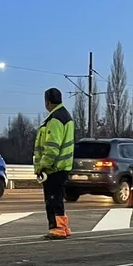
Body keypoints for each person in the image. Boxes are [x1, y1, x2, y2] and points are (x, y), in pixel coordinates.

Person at [33, 87, 75, 239]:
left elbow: (52, 146)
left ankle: (57, 228)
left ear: (47, 102)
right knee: (57, 199)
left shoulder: (55, 119)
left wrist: (43, 165)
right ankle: (63, 227)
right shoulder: (65, 116)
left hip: (54, 168)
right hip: (62, 166)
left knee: (52, 200)